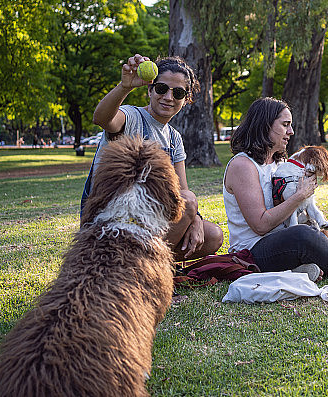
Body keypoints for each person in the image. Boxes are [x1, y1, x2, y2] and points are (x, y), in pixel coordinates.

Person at [222, 97, 328, 278]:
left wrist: (312, 214)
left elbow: (301, 209)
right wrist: (299, 196)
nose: (291, 131)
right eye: (285, 125)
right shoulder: (243, 166)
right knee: (304, 234)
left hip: (290, 235)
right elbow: (260, 225)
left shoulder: (280, 163)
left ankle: (317, 262)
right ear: (265, 125)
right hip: (256, 250)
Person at [83, 53, 224, 261]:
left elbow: (181, 191)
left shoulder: (174, 138)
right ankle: (139, 270)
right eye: (161, 89)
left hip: (150, 220)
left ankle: (149, 264)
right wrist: (125, 87)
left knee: (212, 235)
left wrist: (196, 219)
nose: (168, 97)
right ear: (150, 89)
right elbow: (102, 118)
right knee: (188, 202)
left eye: (178, 93)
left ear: (185, 100)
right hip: (113, 220)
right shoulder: (131, 117)